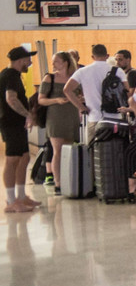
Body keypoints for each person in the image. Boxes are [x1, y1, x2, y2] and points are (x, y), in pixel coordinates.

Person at [1, 46, 39, 212]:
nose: (30, 63)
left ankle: (21, 196)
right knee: (12, 159)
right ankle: (11, 201)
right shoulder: (10, 76)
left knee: (24, 157)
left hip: (16, 123)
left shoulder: (13, 75)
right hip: (10, 123)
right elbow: (11, 99)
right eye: (28, 60)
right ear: (21, 60)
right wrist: (27, 115)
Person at [64, 43, 126, 143]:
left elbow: (67, 90)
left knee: (93, 152)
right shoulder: (118, 71)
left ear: (92, 57)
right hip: (115, 119)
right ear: (107, 55)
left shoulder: (82, 71)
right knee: (115, 151)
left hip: (94, 118)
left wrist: (81, 107)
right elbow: (127, 91)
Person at [39, 52, 80, 194]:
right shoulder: (49, 78)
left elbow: (81, 94)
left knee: (68, 150)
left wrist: (79, 98)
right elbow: (41, 100)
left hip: (72, 115)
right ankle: (58, 183)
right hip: (55, 116)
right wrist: (56, 100)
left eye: (56, 61)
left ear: (65, 62)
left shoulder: (74, 77)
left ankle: (68, 180)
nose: (53, 64)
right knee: (57, 150)